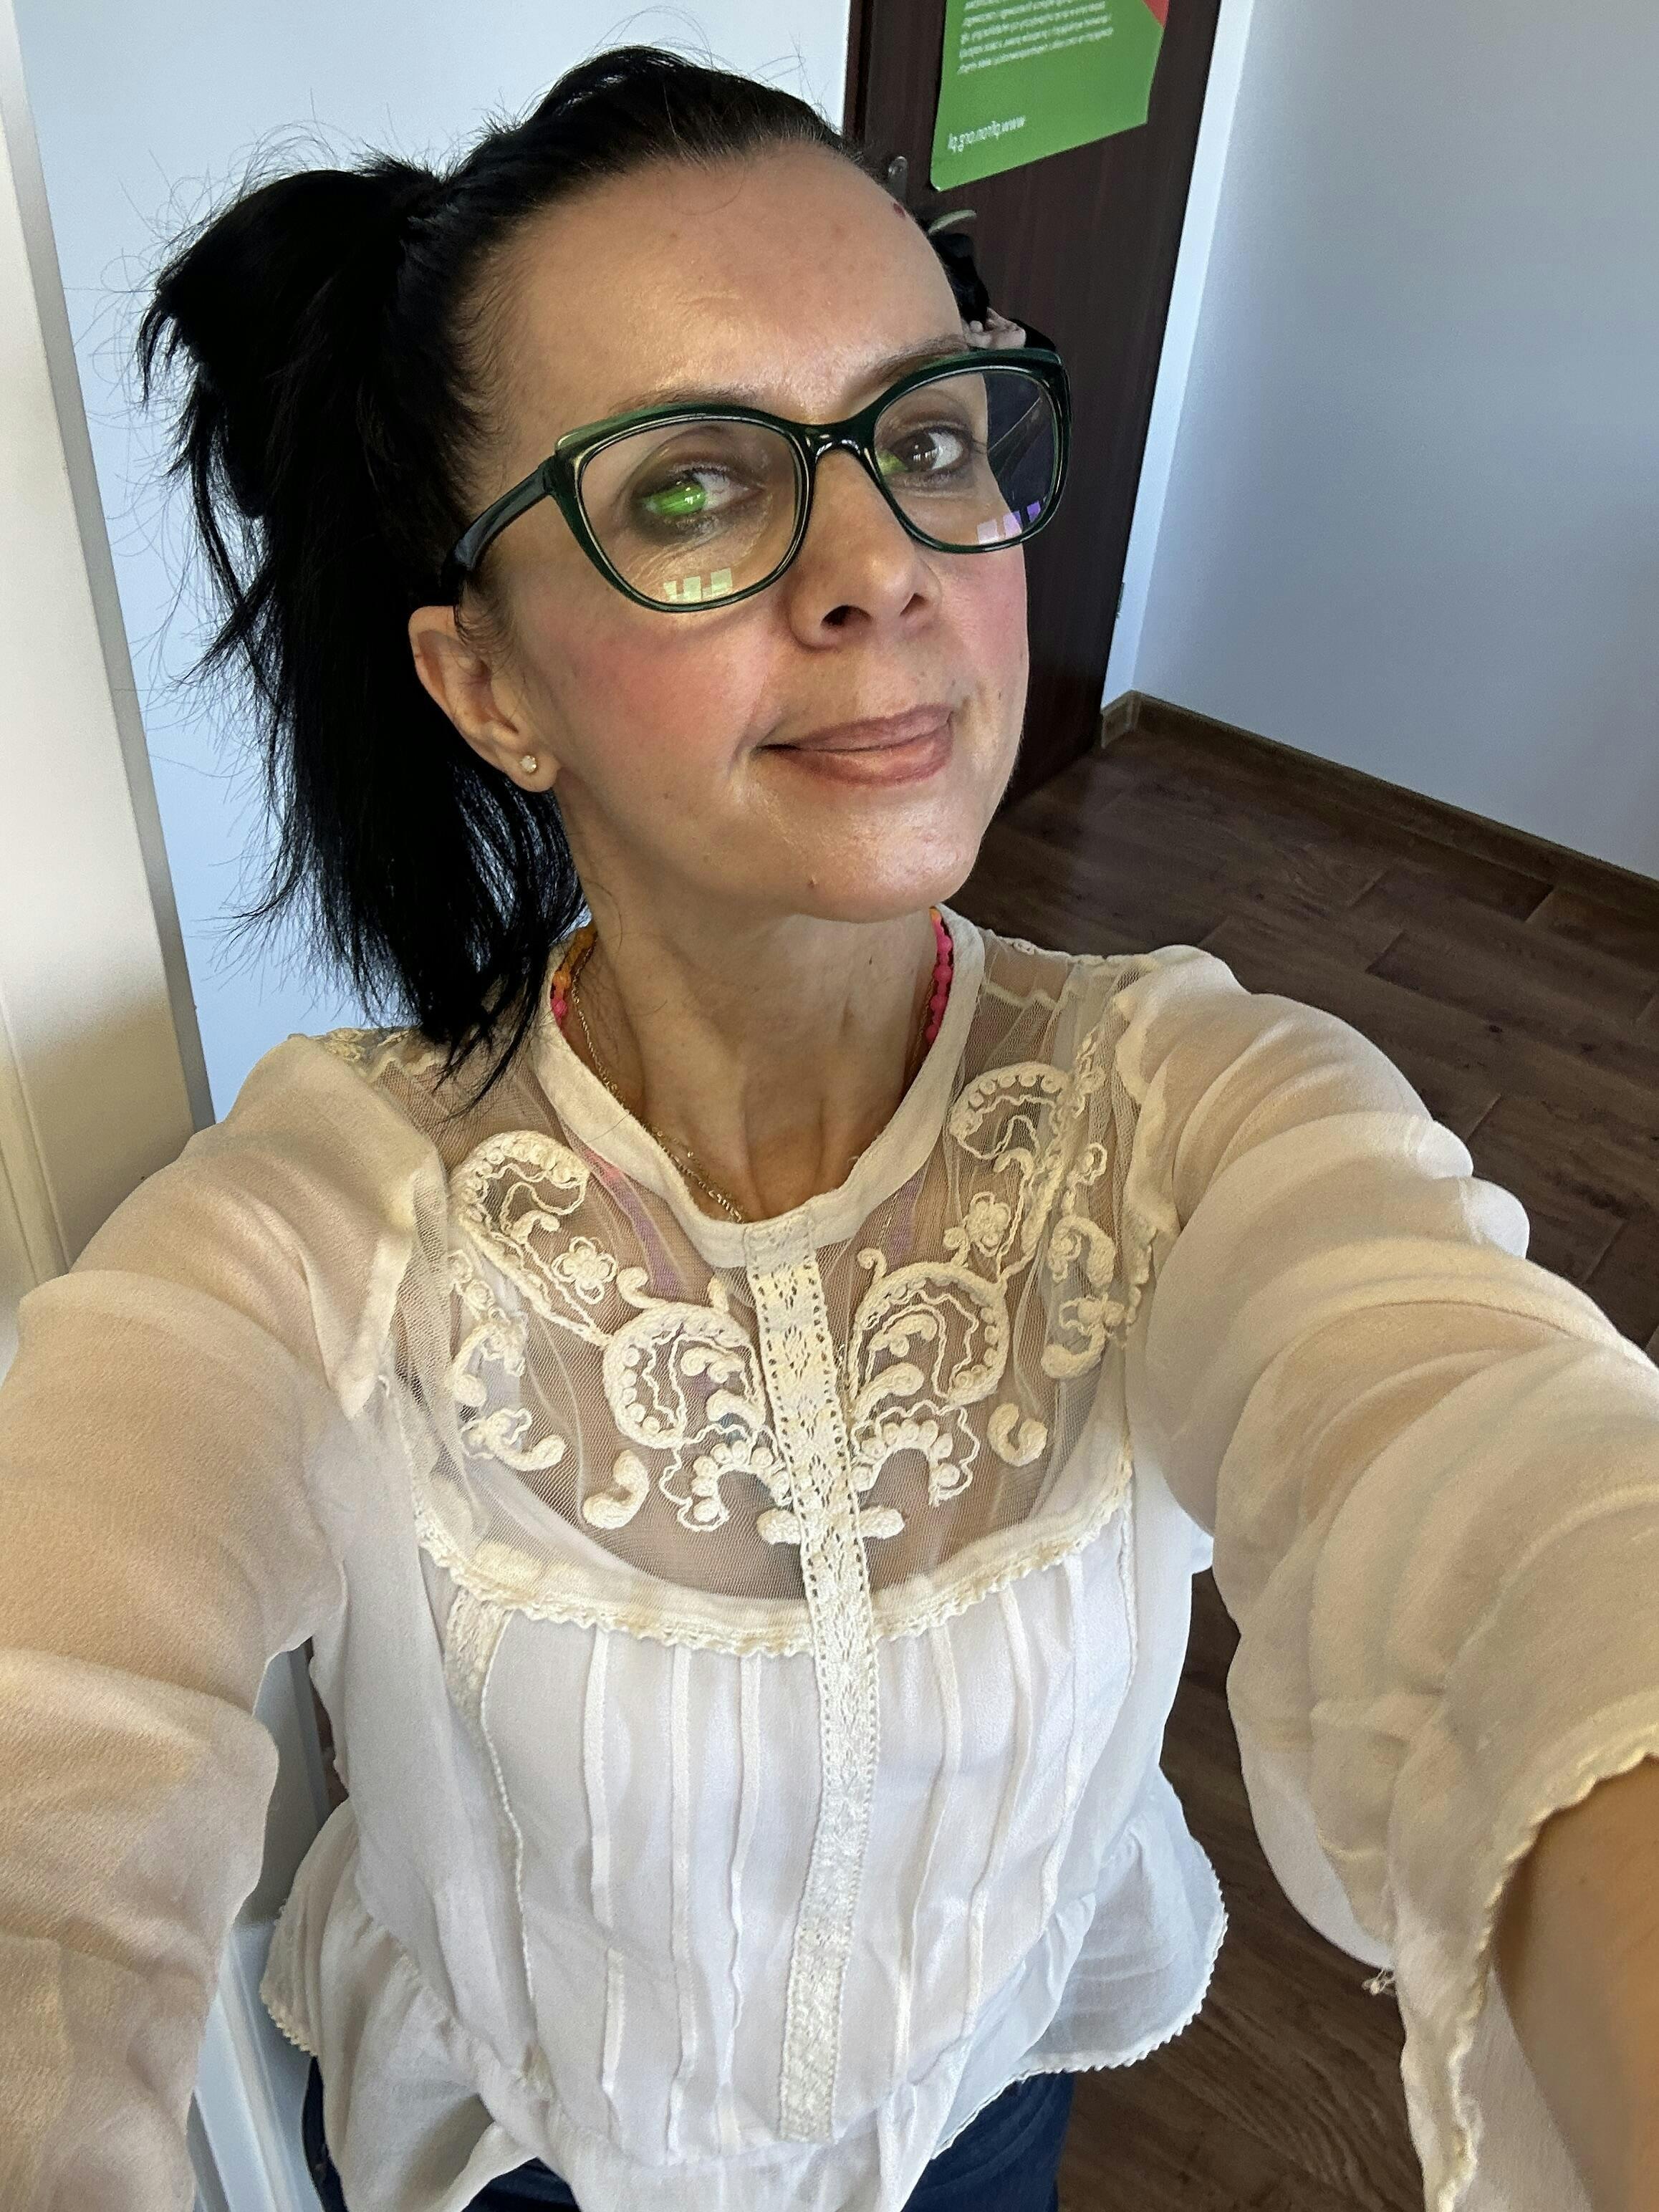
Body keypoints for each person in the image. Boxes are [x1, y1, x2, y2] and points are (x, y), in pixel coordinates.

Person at [1, 41, 1656, 2212]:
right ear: (487, 684)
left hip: (989, 2113)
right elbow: (53, 1736)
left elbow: (1509, 1493)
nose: (881, 561)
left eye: (929, 436)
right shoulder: (328, 1222)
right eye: (691, 488)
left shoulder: (1195, 1114)